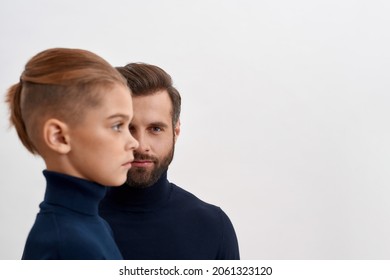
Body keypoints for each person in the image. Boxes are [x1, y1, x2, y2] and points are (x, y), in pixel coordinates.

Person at [5, 48, 138, 259]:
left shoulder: (94, 225)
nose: (134, 143)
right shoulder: (67, 244)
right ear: (59, 137)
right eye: (116, 126)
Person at [99, 63, 240, 259]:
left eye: (155, 129)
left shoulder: (213, 226)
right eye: (126, 127)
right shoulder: (70, 226)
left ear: (176, 131)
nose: (140, 145)